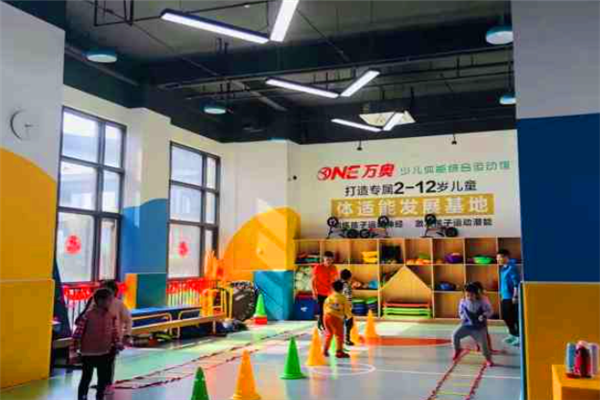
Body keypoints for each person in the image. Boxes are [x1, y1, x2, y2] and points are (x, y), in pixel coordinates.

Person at [73, 288, 123, 400]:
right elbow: (77, 334)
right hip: (88, 353)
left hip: (105, 352)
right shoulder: (88, 315)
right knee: (86, 377)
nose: (111, 303)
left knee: (103, 378)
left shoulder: (111, 315)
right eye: (109, 300)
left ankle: (100, 396)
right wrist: (74, 352)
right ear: (100, 301)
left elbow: (113, 332)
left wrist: (117, 343)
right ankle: (82, 396)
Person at [452, 283, 494, 367]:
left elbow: (490, 311)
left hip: (479, 328)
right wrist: (462, 317)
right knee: (455, 335)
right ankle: (457, 350)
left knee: (484, 346)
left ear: (476, 294)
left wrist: (484, 315)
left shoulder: (482, 301)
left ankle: (488, 360)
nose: (469, 297)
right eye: (467, 295)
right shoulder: (463, 301)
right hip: (467, 326)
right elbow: (460, 311)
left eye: (471, 295)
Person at [323, 280, 353, 359]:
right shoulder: (342, 298)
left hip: (326, 316)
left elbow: (325, 307)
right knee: (339, 335)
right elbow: (347, 309)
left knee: (329, 334)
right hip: (335, 317)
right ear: (342, 288)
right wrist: (350, 317)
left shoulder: (329, 297)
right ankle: (339, 352)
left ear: (333, 288)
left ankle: (325, 350)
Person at [497, 249, 520, 347]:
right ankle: (512, 334)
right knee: (506, 316)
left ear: (506, 257)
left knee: (514, 317)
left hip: (511, 297)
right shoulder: (503, 268)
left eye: (500, 258)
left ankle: (518, 337)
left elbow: (516, 283)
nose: (498, 260)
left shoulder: (512, 268)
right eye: (497, 258)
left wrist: (515, 296)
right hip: (505, 296)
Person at [312, 251, 339, 330]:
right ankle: (324, 326)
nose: (328, 261)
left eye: (330, 259)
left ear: (332, 260)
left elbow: (336, 280)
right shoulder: (318, 267)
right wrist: (314, 292)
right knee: (322, 310)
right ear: (323, 259)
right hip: (320, 292)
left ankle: (324, 323)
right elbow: (313, 280)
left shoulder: (334, 268)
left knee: (330, 310)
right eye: (327, 259)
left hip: (330, 293)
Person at [472, 281, 494, 353]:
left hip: (482, 318)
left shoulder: (484, 298)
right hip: (473, 319)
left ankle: (489, 348)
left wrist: (484, 315)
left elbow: (490, 310)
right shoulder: (470, 298)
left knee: (485, 333)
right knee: (475, 333)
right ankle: (478, 347)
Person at [340, 269, 355, 346]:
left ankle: (341, 339)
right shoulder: (347, 286)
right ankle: (347, 339)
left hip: (339, 307)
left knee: (341, 323)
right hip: (346, 308)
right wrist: (350, 308)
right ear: (349, 277)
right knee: (349, 324)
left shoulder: (338, 284)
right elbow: (348, 298)